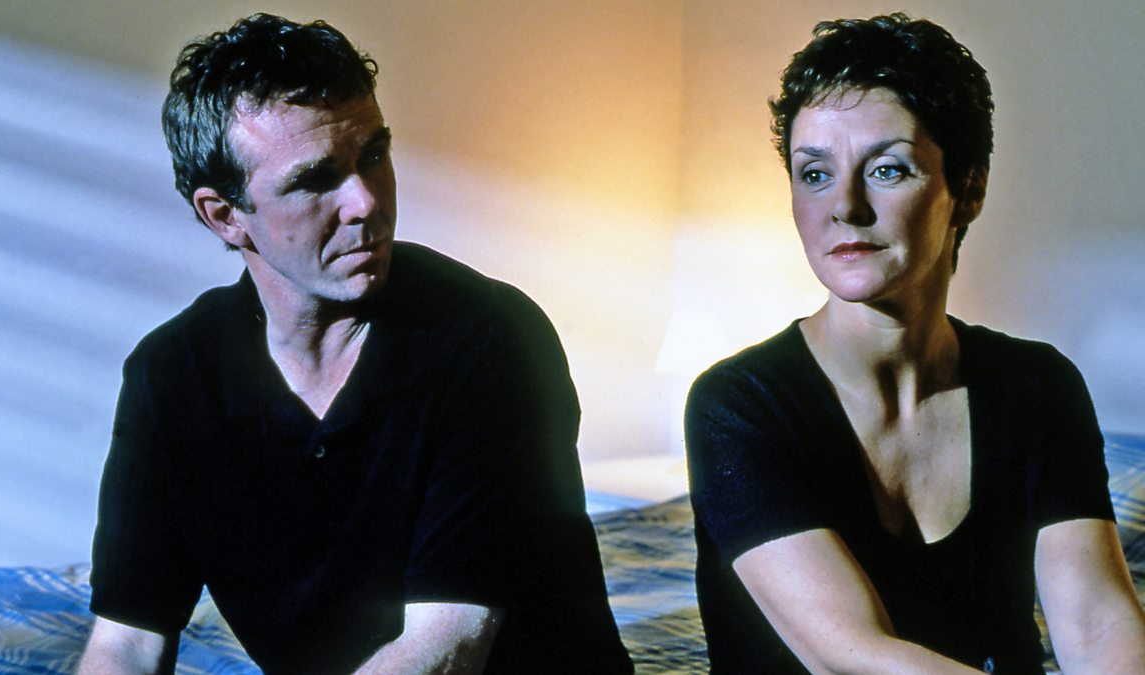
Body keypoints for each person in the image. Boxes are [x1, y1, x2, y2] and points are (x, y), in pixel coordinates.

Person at [78, 13, 631, 674]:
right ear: (225, 216)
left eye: (372, 155)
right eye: (315, 179)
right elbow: (128, 640)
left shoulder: (489, 337)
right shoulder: (172, 374)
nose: (365, 201)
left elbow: (447, 648)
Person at [686, 13, 1145, 674]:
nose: (844, 205)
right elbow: (853, 657)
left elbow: (1098, 624)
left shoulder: (1037, 387)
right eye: (814, 173)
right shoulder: (739, 404)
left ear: (970, 189)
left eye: (887, 169)